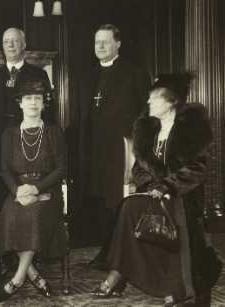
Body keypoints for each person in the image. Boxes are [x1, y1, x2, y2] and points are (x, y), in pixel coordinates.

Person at [90, 73, 222, 307]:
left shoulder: (190, 130)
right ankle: (119, 271)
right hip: (154, 193)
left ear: (171, 102)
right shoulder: (147, 131)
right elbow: (138, 169)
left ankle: (170, 288)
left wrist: (167, 186)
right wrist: (153, 187)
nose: (149, 102)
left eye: (155, 98)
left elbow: (197, 168)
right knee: (128, 207)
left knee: (171, 215)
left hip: (184, 198)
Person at [79, 24, 150, 269]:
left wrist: (138, 147)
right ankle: (107, 250)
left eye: (105, 42)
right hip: (97, 149)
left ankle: (123, 253)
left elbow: (146, 112)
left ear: (118, 44)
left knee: (119, 201)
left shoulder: (134, 72)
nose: (99, 46)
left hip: (122, 149)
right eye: (97, 42)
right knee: (101, 202)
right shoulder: (89, 74)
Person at [0, 80, 66, 302]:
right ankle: (33, 273)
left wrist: (36, 188)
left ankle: (18, 279)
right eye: (28, 99)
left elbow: (61, 170)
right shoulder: (9, 134)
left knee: (34, 215)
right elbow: (4, 171)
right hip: (18, 191)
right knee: (9, 216)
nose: (33, 103)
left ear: (44, 104)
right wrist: (18, 191)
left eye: (38, 99)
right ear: (20, 104)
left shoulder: (53, 132)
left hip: (47, 191)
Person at [0, 27, 54, 214]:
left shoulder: (38, 75)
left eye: (15, 40)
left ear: (24, 45)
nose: (10, 44)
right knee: (2, 198)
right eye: (6, 41)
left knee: (29, 199)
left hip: (29, 146)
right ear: (2, 47)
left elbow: (49, 114)